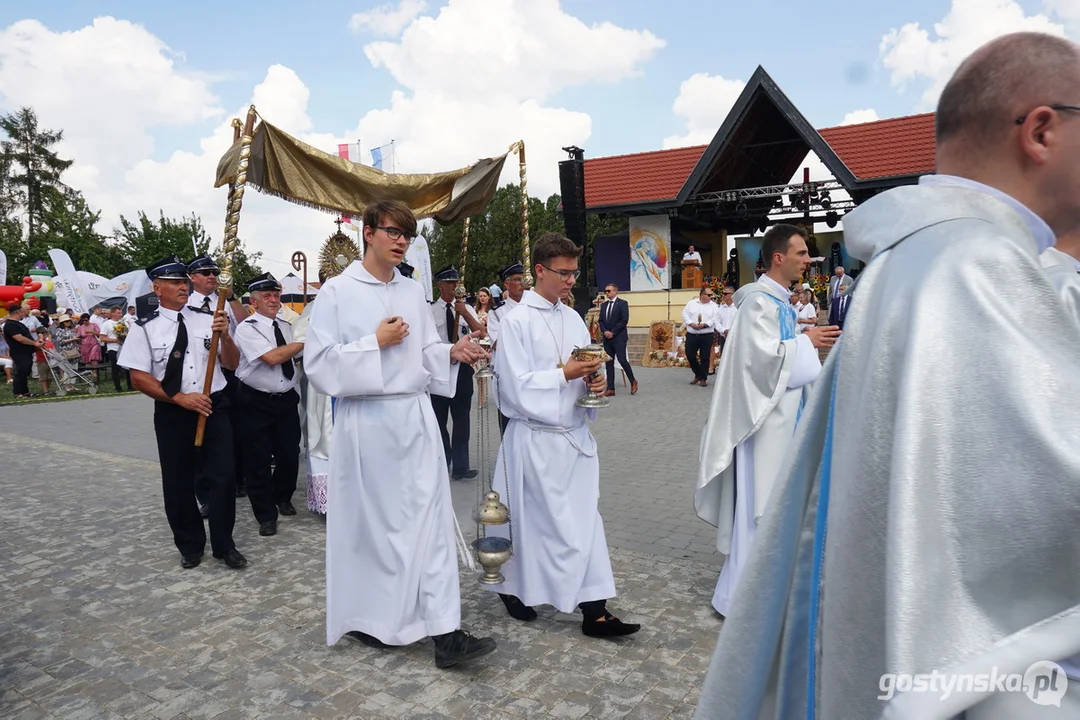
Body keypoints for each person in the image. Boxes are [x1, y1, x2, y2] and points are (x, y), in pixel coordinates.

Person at [695, 32, 1080, 719]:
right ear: (1042, 130)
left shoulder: (922, 260)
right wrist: (798, 345)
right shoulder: (978, 267)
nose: (806, 265)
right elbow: (1049, 496)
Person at [304, 200, 495, 668]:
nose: (401, 241)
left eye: (407, 234)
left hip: (414, 418)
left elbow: (426, 350)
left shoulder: (413, 291)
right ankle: (379, 620)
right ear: (368, 232)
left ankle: (446, 631)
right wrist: (375, 343)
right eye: (392, 232)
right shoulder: (337, 292)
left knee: (430, 524)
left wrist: (453, 350)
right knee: (383, 530)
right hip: (367, 424)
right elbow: (319, 365)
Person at [484, 232, 639, 637]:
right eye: (564, 272)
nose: (572, 280)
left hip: (573, 438)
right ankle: (513, 588)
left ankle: (595, 611)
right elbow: (512, 388)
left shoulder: (572, 318)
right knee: (534, 524)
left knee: (584, 522)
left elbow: (586, 366)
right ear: (540, 270)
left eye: (574, 272)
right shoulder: (515, 321)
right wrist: (563, 374)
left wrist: (596, 382)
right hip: (535, 439)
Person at [695, 224, 839, 618]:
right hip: (762, 426)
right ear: (779, 257)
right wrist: (805, 344)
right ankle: (746, 599)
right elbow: (761, 362)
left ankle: (769, 591)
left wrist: (801, 338)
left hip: (781, 418)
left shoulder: (778, 302)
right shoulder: (758, 303)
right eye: (801, 253)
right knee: (763, 508)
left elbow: (778, 353)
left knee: (778, 507)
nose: (808, 260)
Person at [118, 254, 246, 570]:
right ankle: (190, 544)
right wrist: (180, 399)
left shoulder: (208, 318)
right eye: (174, 282)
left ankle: (224, 545)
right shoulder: (144, 328)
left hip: (214, 407)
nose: (182, 287)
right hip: (174, 412)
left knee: (223, 478)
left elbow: (231, 363)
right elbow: (139, 377)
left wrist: (226, 335)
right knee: (177, 481)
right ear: (156, 287)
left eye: (183, 281)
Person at [234, 273, 304, 537]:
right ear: (254, 302)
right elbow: (273, 357)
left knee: (289, 453)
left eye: (276, 295)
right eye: (267, 296)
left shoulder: (287, 327)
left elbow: (295, 359)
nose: (274, 300)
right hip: (256, 401)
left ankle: (282, 495)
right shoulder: (247, 328)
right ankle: (265, 514)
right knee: (258, 459)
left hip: (286, 398)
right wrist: (305, 342)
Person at [188, 254, 249, 500]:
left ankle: (237, 479)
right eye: (205, 273)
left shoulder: (223, 301)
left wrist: (231, 295)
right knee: (201, 438)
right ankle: (204, 492)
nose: (212, 276)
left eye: (214, 272)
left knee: (235, 430)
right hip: (203, 375)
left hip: (229, 372)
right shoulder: (187, 303)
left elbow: (246, 322)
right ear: (192, 278)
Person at [429, 265, 484, 480]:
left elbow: (482, 332)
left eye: (456, 282)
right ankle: (444, 460)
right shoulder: (429, 311)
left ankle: (461, 466)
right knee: (438, 419)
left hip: (461, 369)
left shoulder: (466, 308)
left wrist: (464, 314)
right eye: (450, 282)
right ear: (440, 285)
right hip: (438, 368)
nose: (454, 286)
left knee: (461, 418)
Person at [598, 283, 637, 396]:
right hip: (607, 338)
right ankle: (611, 388)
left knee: (622, 360)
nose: (606, 293)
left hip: (619, 337)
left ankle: (633, 381)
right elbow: (601, 320)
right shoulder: (604, 305)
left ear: (615, 291)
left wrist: (613, 332)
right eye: (605, 291)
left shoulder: (622, 304)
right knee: (608, 362)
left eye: (609, 291)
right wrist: (605, 331)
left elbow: (624, 320)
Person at [682, 287, 719, 387]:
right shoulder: (691, 303)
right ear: (702, 295)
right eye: (709, 295)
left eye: (711, 295)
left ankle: (703, 378)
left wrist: (705, 324)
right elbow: (685, 314)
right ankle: (698, 373)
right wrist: (691, 324)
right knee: (690, 354)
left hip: (706, 334)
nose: (711, 297)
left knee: (705, 357)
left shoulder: (714, 306)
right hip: (692, 334)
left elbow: (715, 318)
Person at [3, 304, 42, 398]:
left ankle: (25, 392)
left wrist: (37, 341)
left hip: (26, 351)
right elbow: (19, 338)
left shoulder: (19, 324)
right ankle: (17, 392)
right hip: (19, 352)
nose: (24, 314)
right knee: (21, 371)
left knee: (26, 371)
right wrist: (34, 343)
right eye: (22, 311)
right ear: (18, 312)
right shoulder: (10, 325)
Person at [100, 307, 132, 392]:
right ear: (113, 313)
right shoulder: (107, 324)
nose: (120, 315)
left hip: (124, 348)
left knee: (128, 368)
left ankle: (130, 386)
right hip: (113, 348)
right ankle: (118, 387)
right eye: (118, 313)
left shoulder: (124, 323)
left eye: (121, 313)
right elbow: (102, 338)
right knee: (116, 368)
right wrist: (115, 340)